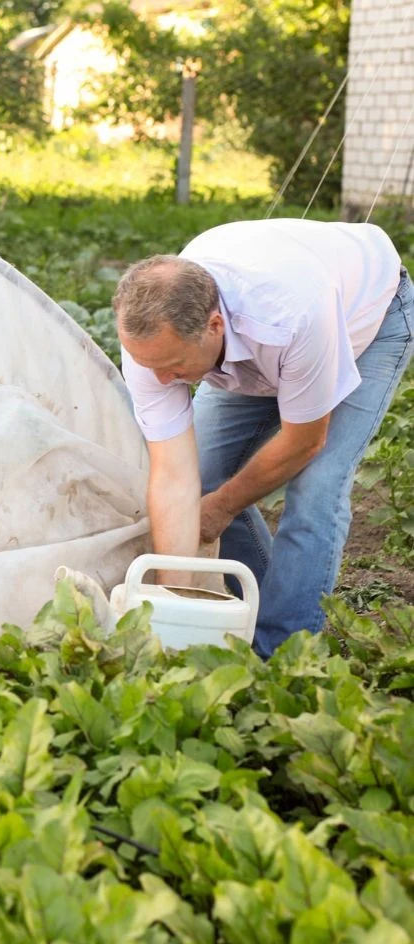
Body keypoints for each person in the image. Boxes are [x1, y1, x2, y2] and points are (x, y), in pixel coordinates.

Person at [113, 218, 413, 658]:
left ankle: (281, 656)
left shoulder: (291, 316)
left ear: (214, 325)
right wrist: (170, 605)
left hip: (366, 321)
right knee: (207, 474)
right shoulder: (152, 343)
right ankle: (258, 608)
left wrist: (221, 506)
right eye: (150, 366)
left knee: (317, 489)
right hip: (264, 342)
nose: (161, 379)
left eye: (173, 366)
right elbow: (174, 472)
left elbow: (304, 442)